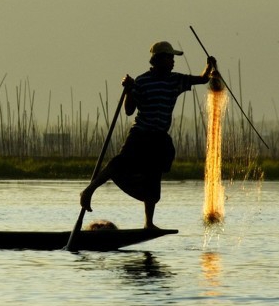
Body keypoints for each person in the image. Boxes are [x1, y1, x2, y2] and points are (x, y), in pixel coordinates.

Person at [80, 41, 217, 228]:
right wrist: (129, 90)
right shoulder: (142, 81)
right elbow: (129, 110)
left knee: (153, 179)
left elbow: (202, 79)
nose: (173, 62)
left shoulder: (175, 80)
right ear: (158, 59)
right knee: (119, 163)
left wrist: (209, 66)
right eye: (170, 58)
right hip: (140, 134)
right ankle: (88, 191)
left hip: (159, 138)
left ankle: (149, 223)